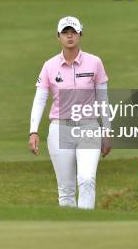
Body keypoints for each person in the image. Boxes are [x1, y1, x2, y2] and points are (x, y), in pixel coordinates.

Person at [28, 16, 111, 209]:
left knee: (87, 178)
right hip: (60, 127)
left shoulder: (94, 63)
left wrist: (107, 131)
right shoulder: (49, 66)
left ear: (80, 34)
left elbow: (103, 99)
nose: (70, 36)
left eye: (73, 32)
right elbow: (40, 99)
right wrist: (33, 131)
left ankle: (87, 226)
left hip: (89, 126)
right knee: (66, 190)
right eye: (65, 32)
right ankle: (71, 231)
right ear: (58, 37)